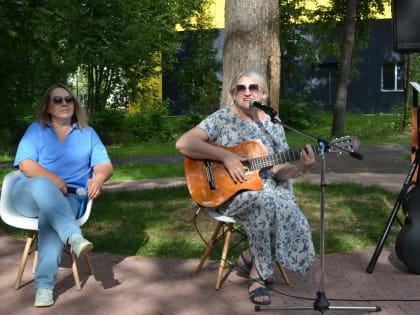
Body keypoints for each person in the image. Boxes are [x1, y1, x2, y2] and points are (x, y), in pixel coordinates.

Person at [176, 70, 316, 305]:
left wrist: (301, 168)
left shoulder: (273, 124)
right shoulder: (221, 118)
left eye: (253, 87)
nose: (247, 92)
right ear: (233, 93)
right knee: (268, 203)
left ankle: (250, 259)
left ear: (262, 93)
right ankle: (257, 277)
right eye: (241, 88)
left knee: (284, 206)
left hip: (269, 189)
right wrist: (225, 157)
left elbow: (280, 169)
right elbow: (183, 143)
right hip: (230, 193)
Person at [11, 83, 113, 307]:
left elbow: (104, 164)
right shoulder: (36, 129)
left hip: (69, 198)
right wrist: (54, 179)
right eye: (58, 100)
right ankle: (73, 236)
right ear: (48, 107)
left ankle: (44, 287)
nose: (65, 103)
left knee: (51, 219)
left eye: (69, 99)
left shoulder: (87, 133)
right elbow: (26, 165)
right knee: (43, 186)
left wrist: (98, 178)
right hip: (28, 195)